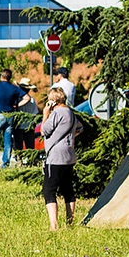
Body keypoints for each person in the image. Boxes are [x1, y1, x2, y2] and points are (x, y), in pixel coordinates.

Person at [41, 87, 83, 231]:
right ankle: (69, 222)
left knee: (49, 190)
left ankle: (54, 225)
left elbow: (43, 130)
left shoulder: (56, 113)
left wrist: (45, 113)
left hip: (55, 157)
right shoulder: (70, 112)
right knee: (68, 189)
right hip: (69, 156)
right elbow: (79, 128)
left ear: (53, 101)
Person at [0, 68, 31, 169]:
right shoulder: (14, 88)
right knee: (8, 141)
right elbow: (27, 98)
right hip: (10, 115)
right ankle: (5, 164)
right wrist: (17, 105)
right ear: (10, 77)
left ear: (1, 76)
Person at [13, 77, 39, 154]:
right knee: (30, 147)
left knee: (18, 146)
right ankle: (30, 162)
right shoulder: (32, 100)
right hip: (29, 126)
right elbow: (35, 113)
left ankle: (19, 160)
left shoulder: (16, 99)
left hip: (19, 125)